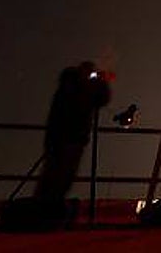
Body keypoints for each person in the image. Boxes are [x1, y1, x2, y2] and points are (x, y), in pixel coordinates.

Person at [35, 61, 112, 205]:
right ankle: (47, 208)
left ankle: (43, 208)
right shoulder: (76, 90)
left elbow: (100, 99)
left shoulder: (69, 87)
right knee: (60, 178)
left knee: (54, 177)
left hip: (62, 139)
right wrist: (101, 82)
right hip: (69, 139)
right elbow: (99, 99)